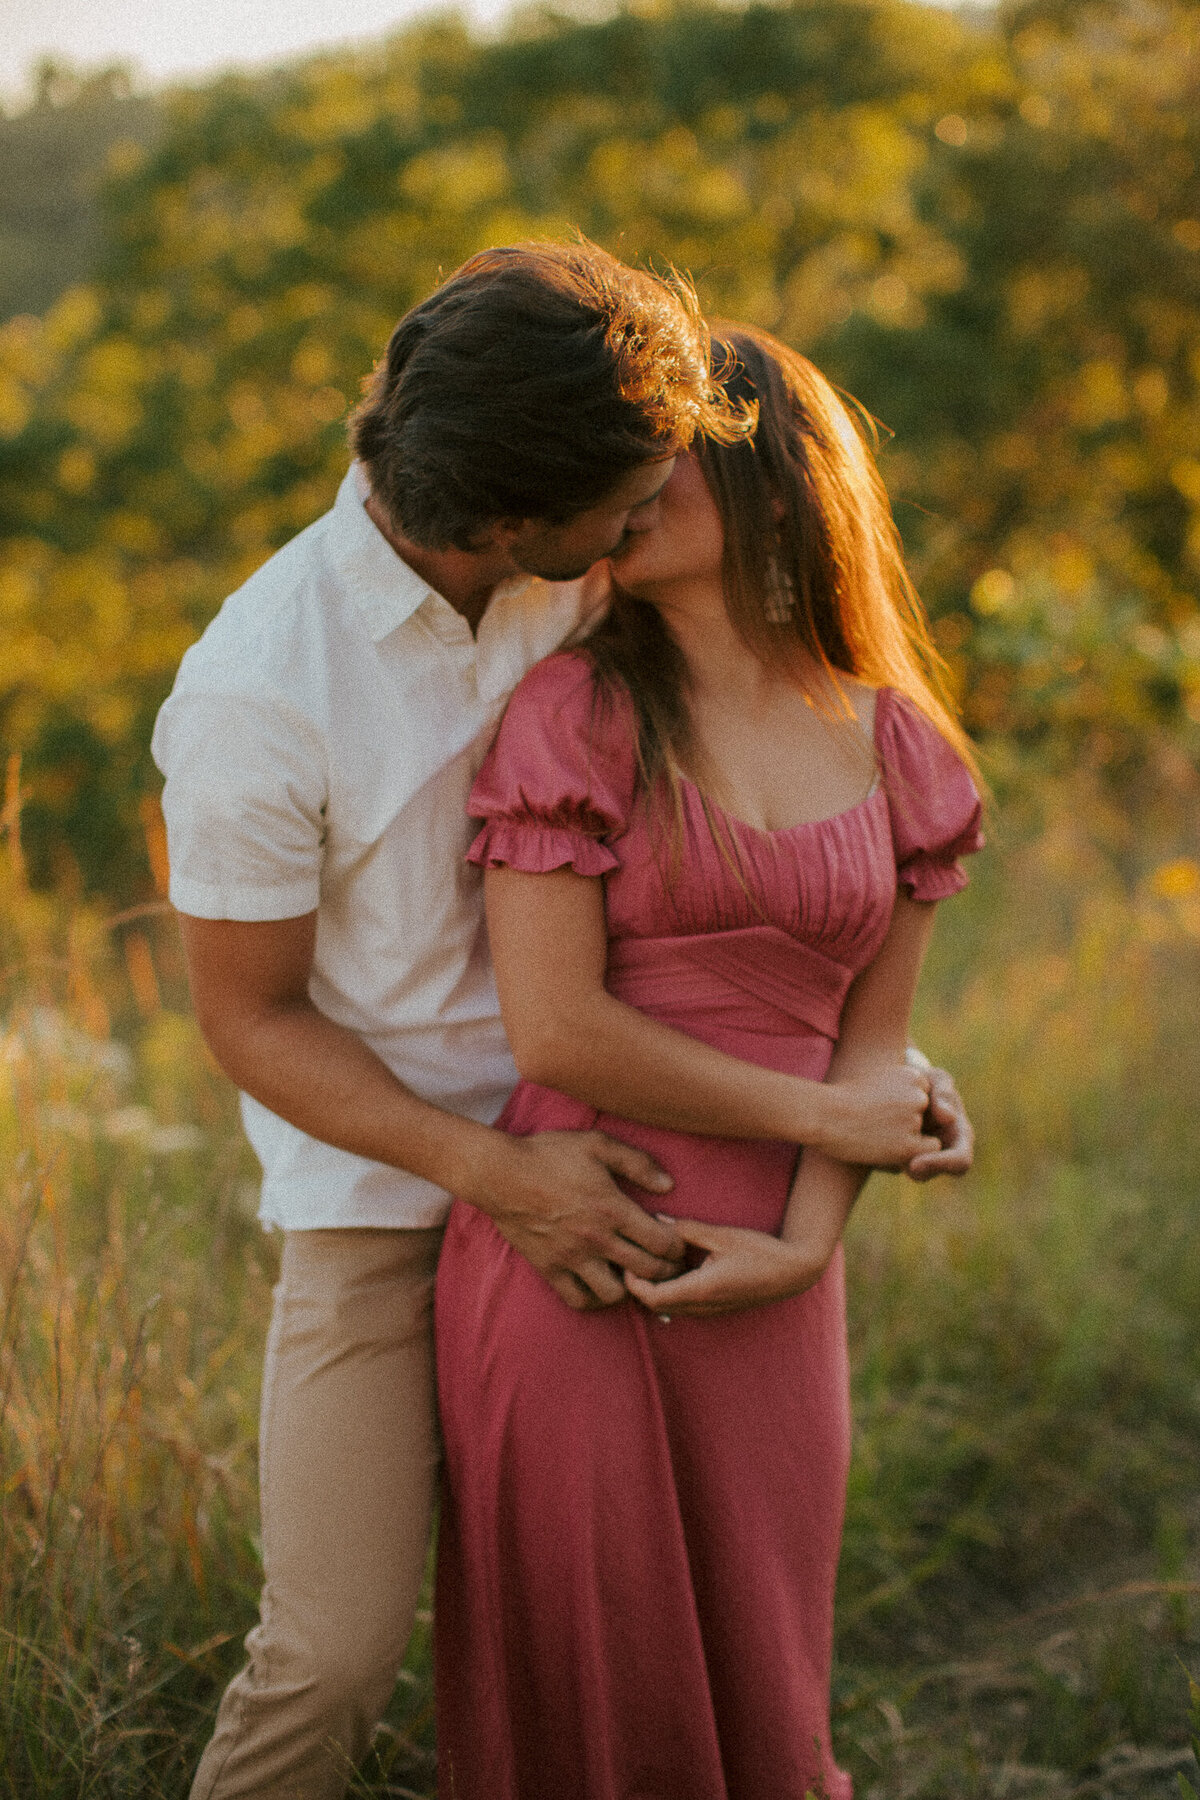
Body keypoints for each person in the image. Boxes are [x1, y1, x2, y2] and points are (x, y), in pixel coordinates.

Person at [152, 242, 974, 1800]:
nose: (660, 503)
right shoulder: (256, 695)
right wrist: (495, 1169)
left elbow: (777, 875)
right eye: (629, 496)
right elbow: (252, 1024)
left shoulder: (584, 578)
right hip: (393, 1197)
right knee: (328, 1654)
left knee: (677, 1624)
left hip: (657, 1151)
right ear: (519, 519)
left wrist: (889, 1082)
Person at [434, 324, 985, 1800]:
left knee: (764, 1673)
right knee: (601, 1704)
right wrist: (831, 1120)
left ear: (775, 469)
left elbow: (876, 1047)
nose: (639, 475)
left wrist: (804, 1250)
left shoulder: (901, 744)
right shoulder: (576, 712)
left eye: (681, 438)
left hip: (772, 1285)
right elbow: (560, 1032)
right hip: (588, 1239)